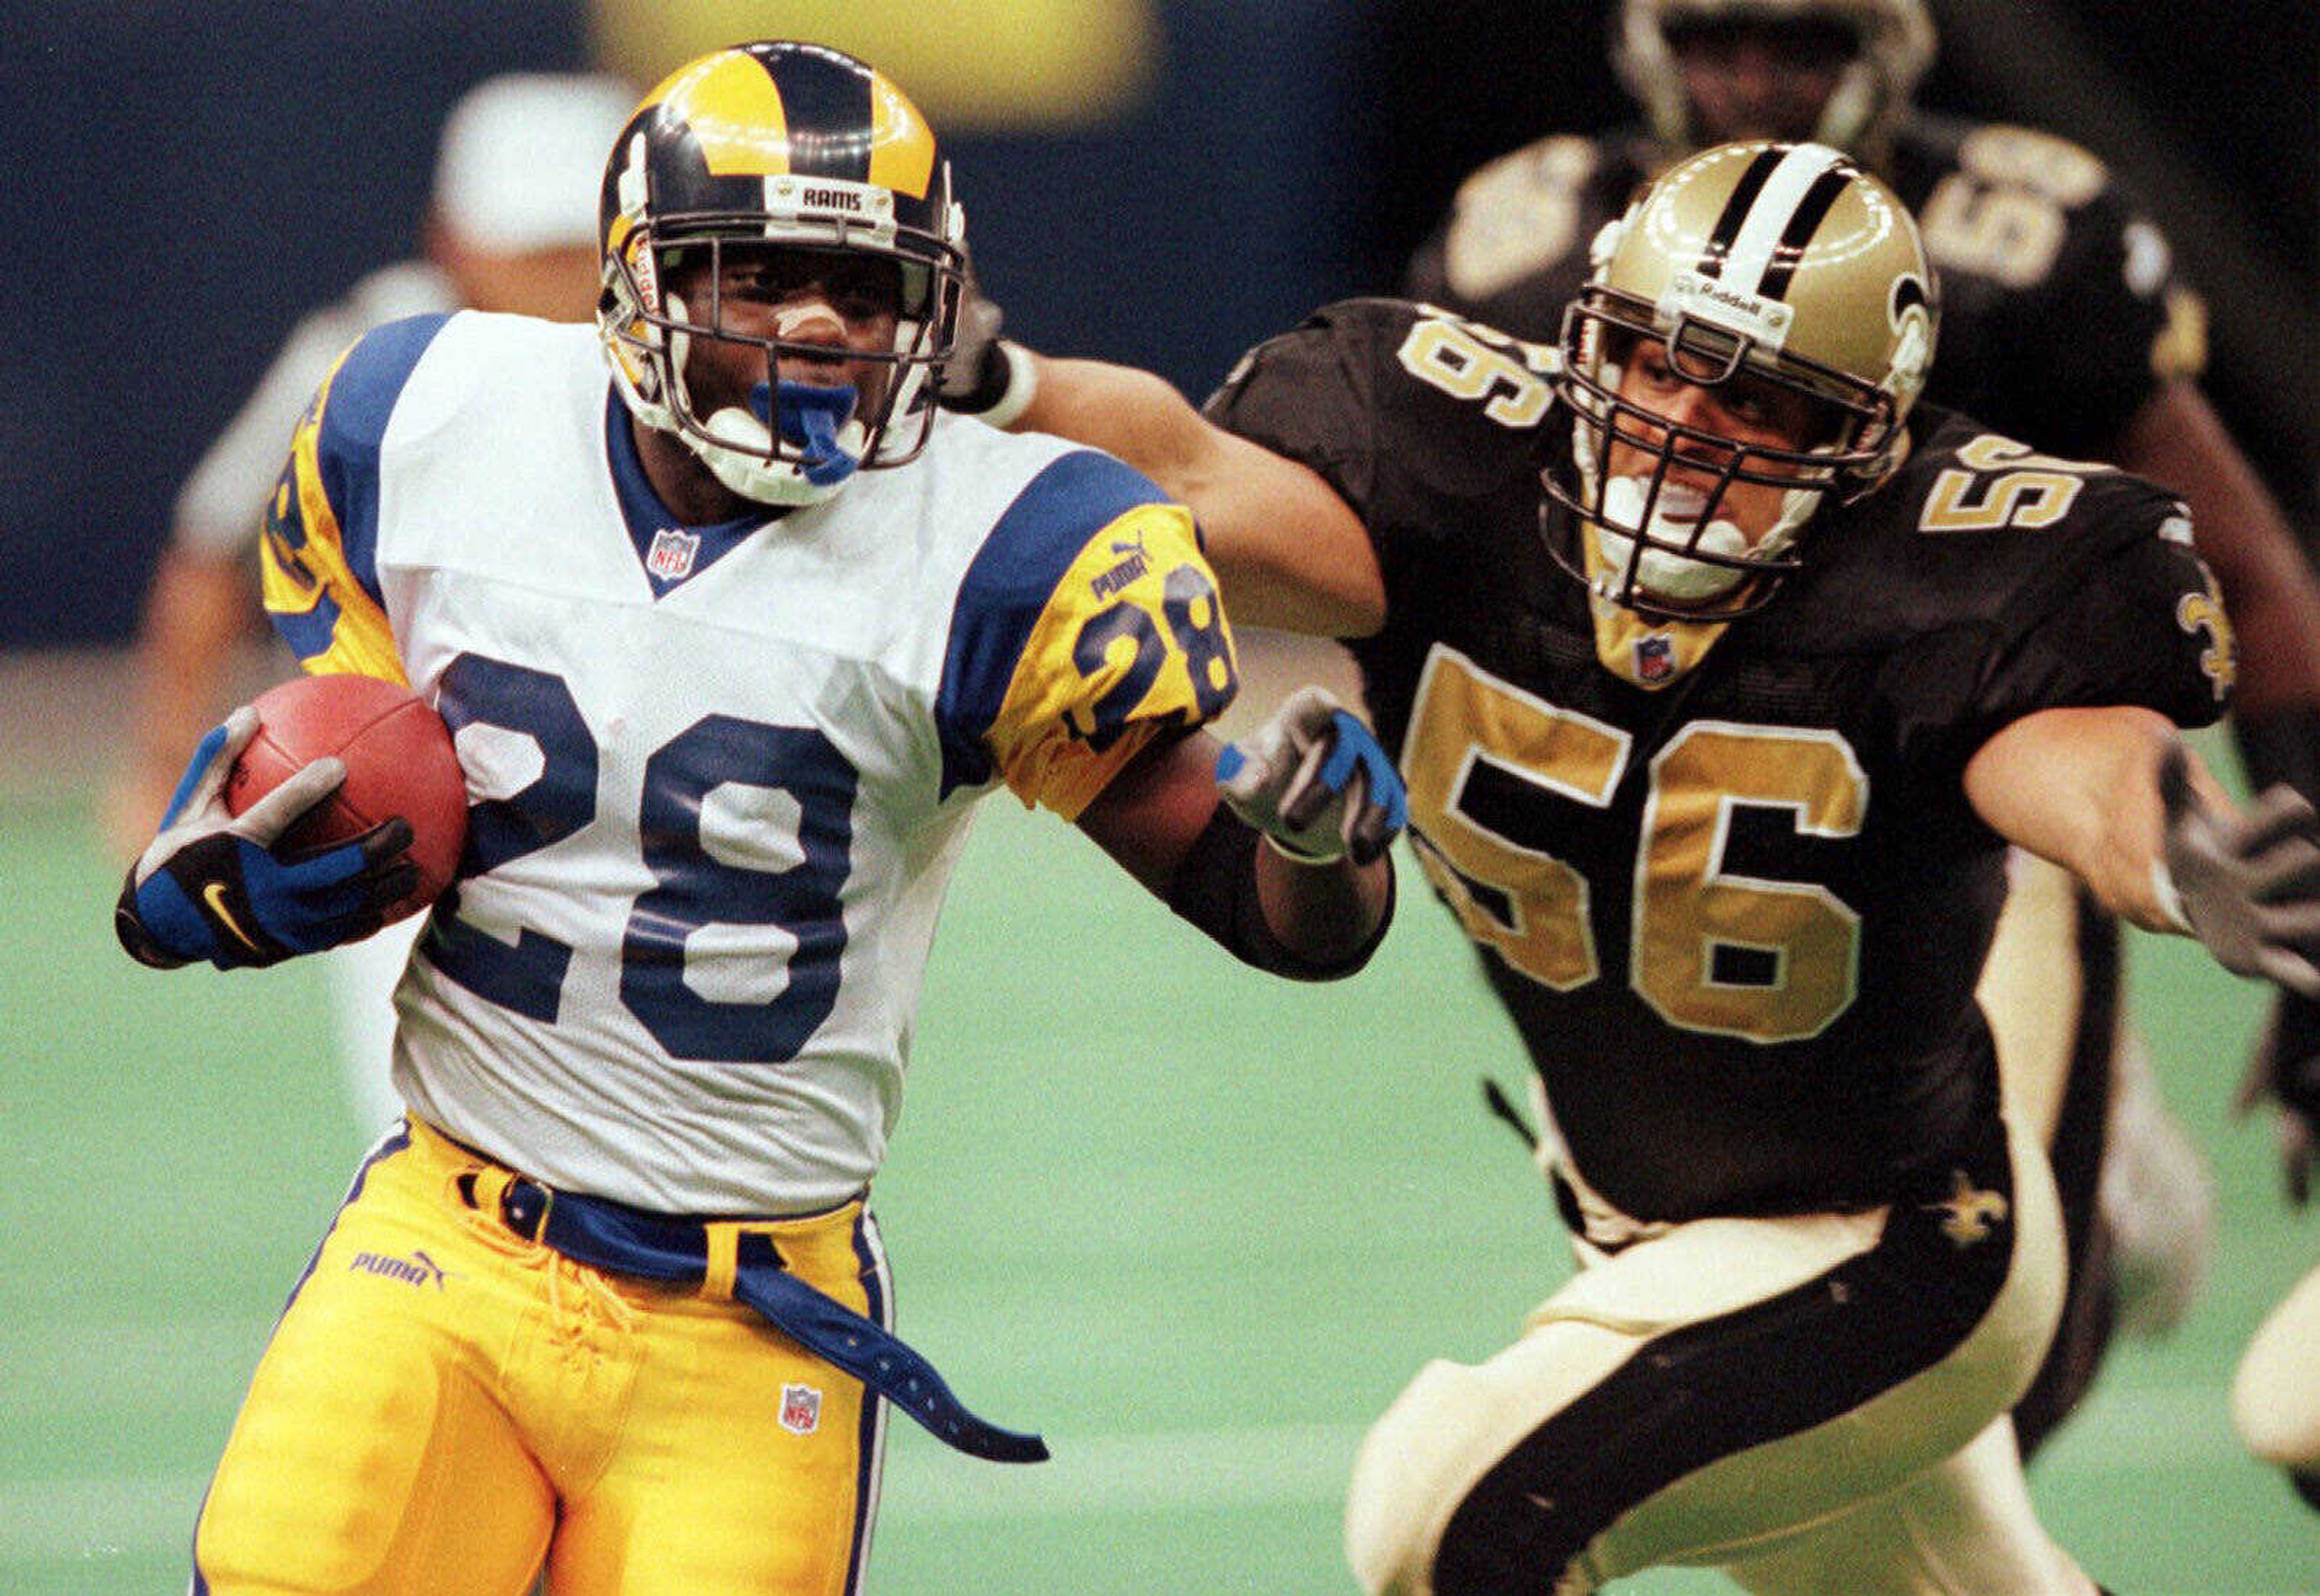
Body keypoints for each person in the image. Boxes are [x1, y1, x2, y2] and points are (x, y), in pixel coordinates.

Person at [111, 41, 1402, 1594]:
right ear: (641, 281)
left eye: (861, 290)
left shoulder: (1014, 544)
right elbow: (348, 756)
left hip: (746, 1320)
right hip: (442, 1244)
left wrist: (1326, 857)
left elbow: (1257, 900)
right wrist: (207, 883)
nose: (812, 328)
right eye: (758, 273)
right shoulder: (427, 414)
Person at [944, 139, 2320, 1592]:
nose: (1682, 425)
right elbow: (1176, 467)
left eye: (1758, 397)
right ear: (1589, 338)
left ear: (1867, 442)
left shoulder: (1935, 579)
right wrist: (1001, 389)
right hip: (1641, 1212)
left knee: (1446, 1506)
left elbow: (2085, 764)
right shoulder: (1459, 498)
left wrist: (2178, 853)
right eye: (1657, 362)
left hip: (1887, 1246)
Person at [1400, 0, 2320, 1455]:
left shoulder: (2022, 247)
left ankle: (2067, 1177)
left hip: (1976, 812)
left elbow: (2251, 580)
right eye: (1717, 42)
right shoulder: (1535, 246)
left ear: (1887, 49)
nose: (1752, 83)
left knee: (1980, 1380)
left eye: (1799, 47)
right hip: (1686, 831)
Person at [113, 69, 637, 1137]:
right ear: (453, 236)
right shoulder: (371, 358)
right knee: (427, 1137)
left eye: (576, 248)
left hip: (638, 794)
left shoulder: (676, 370)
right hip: (407, 798)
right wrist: (159, 753)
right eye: (527, 245)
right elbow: (213, 546)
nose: (554, 280)